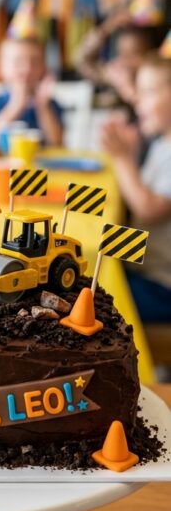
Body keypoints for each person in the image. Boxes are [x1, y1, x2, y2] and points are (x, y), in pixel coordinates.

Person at [100, 52, 171, 323]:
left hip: (162, 286)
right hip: (147, 270)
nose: (137, 99)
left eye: (148, 91)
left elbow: (148, 208)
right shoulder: (163, 142)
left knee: (92, 298)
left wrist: (122, 158)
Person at [0, 37, 63, 147]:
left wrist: (43, 107)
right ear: (0, 68)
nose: (27, 68)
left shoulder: (50, 104)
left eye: (35, 62)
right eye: (18, 61)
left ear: (44, 68)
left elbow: (56, 142)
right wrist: (16, 105)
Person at [74, 9, 164, 107]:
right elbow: (82, 60)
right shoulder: (117, 74)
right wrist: (106, 29)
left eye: (132, 55)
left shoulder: (159, 82)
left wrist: (130, 92)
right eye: (121, 54)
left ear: (152, 55)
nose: (123, 62)